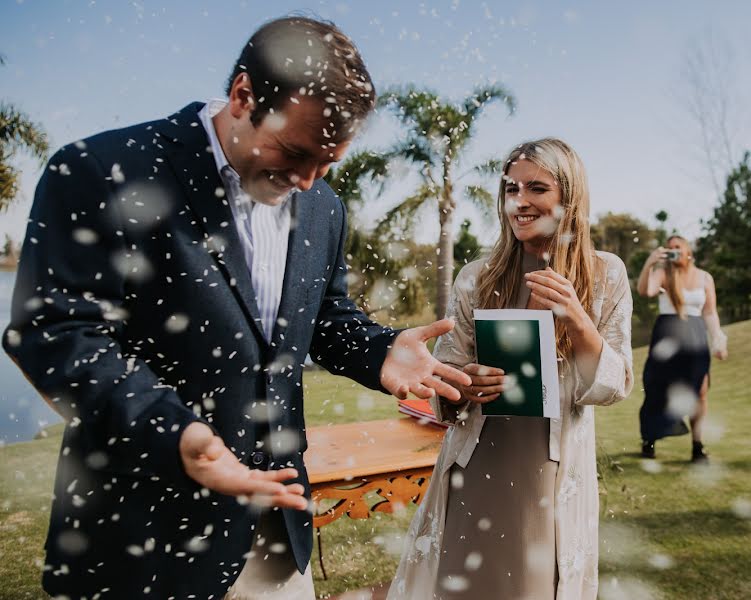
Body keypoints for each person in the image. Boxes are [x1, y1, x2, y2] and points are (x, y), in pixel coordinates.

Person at [2, 16, 471, 600]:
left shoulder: (323, 206)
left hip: (276, 542)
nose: (306, 180)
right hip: (142, 541)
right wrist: (177, 433)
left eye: (328, 161)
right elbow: (56, 330)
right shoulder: (102, 170)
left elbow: (323, 317)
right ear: (244, 95)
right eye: (295, 151)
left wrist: (378, 350)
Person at [388, 138, 633, 599]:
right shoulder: (476, 277)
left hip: (548, 474)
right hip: (476, 463)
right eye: (510, 189)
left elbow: (614, 385)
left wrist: (577, 318)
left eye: (536, 188)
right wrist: (464, 383)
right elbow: (441, 376)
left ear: (569, 196)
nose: (519, 202)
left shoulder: (605, 275)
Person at [636, 236, 728, 463]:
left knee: (700, 391)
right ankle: (650, 437)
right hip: (668, 335)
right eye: (669, 248)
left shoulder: (705, 278)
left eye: (677, 247)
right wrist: (651, 262)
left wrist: (718, 339)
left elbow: (710, 312)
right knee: (658, 389)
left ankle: (697, 446)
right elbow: (645, 291)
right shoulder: (663, 273)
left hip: (696, 337)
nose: (673, 251)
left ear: (688, 250)